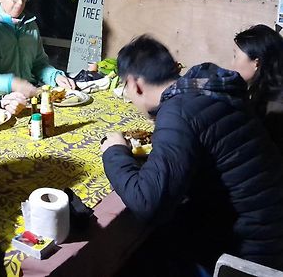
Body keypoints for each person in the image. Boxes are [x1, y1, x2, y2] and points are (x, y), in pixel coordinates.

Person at [101, 35, 283, 275]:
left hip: (247, 256)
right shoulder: (202, 84)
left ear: (135, 84)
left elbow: (147, 203)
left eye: (126, 88)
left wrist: (115, 151)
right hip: (271, 226)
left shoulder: (178, 112)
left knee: (139, 252)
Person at [232, 24, 283, 154]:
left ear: (256, 63)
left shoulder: (274, 107)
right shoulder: (265, 92)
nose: (232, 64)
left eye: (235, 57)